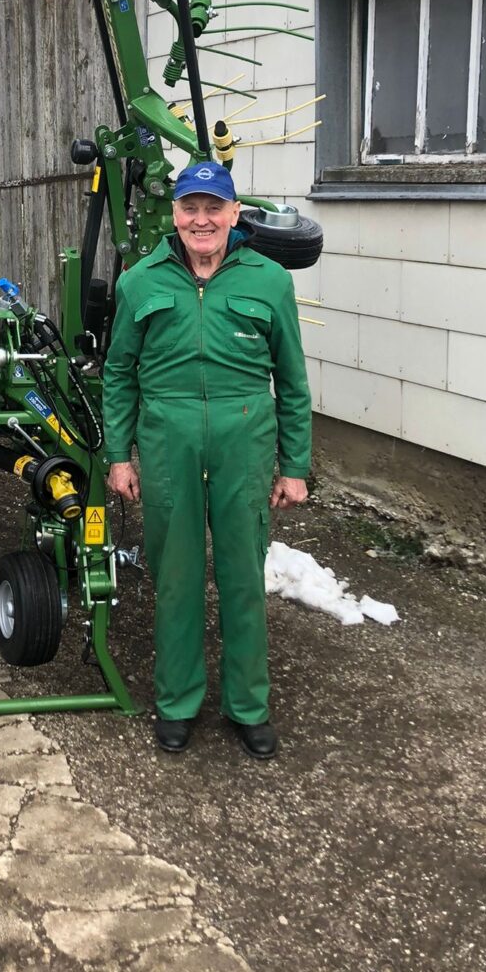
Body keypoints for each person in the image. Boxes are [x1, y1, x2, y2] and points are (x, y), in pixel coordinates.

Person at [102, 161, 312, 758]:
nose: (202, 220)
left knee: (243, 575)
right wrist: (119, 455)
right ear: (174, 215)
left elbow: (292, 381)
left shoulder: (270, 281)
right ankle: (177, 702)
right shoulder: (139, 282)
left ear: (234, 213)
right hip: (167, 439)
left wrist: (295, 466)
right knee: (176, 576)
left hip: (244, 436)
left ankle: (248, 706)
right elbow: (119, 374)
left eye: (213, 208)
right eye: (190, 208)